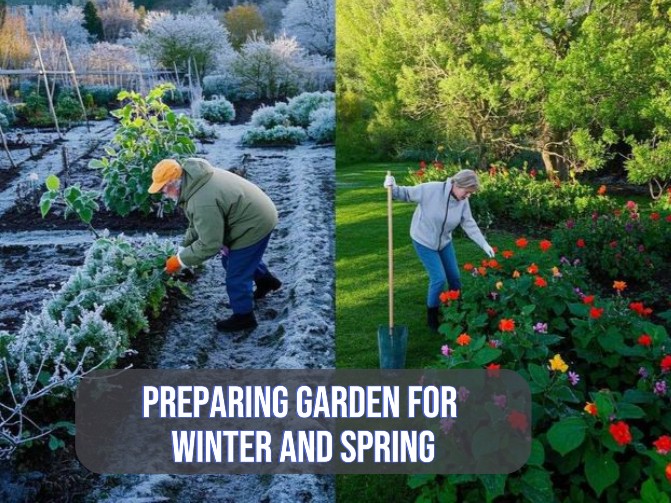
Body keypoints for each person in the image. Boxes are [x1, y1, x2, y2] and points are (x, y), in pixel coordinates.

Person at [148, 158, 282, 332]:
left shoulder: (201, 200)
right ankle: (266, 281)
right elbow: (198, 224)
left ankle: (244, 317)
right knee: (232, 261)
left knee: (237, 274)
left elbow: (210, 244)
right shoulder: (195, 180)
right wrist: (183, 247)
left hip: (253, 224)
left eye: (164, 188)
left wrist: (180, 261)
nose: (164, 193)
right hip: (256, 213)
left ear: (176, 181)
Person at [384, 169, 495, 332]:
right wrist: (392, 186)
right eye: (467, 192)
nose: (468, 196)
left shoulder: (462, 201)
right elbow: (405, 194)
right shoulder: (431, 190)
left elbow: (469, 224)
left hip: (444, 242)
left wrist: (484, 244)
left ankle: (456, 309)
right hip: (423, 241)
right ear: (457, 185)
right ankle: (432, 316)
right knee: (438, 279)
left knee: (455, 278)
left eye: (470, 193)